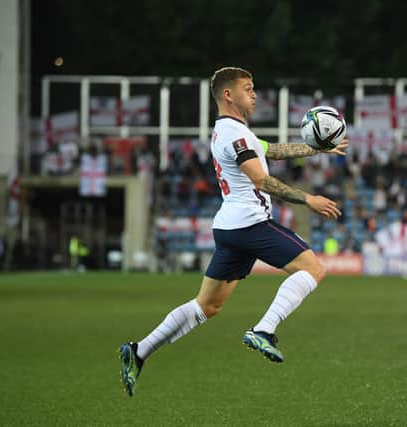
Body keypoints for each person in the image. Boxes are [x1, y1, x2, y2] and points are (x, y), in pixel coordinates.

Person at [119, 66, 348, 397]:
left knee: (206, 307)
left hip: (230, 228)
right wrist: (307, 199)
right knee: (314, 268)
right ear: (228, 95)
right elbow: (260, 179)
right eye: (248, 88)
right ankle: (263, 330)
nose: (254, 94)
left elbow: (272, 151)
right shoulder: (235, 135)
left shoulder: (233, 132)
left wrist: (315, 149)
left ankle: (138, 351)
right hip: (250, 223)